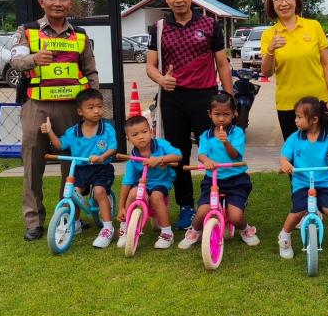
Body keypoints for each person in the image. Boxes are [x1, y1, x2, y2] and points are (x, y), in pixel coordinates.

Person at [10, 0, 99, 241]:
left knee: (73, 164)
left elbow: (90, 70)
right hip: (36, 106)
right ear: (42, 2)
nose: (57, 3)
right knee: (32, 164)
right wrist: (34, 59)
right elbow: (15, 61)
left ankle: (69, 216)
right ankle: (34, 222)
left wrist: (92, 104)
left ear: (70, 3)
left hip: (72, 108)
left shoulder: (80, 35)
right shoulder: (27, 31)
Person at [146, 0, 233, 231]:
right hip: (172, 99)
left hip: (205, 97)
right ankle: (186, 205)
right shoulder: (158, 28)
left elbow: (222, 64)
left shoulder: (209, 24)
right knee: (178, 154)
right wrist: (161, 79)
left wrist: (229, 100)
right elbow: (150, 66)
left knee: (214, 150)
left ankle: (218, 199)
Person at [177, 92, 260, 249]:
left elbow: (235, 155)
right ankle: (194, 231)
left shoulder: (237, 133)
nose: (221, 119)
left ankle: (245, 229)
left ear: (234, 114)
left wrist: (226, 142)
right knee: (202, 212)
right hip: (212, 180)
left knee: (236, 216)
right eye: (217, 114)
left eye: (226, 114)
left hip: (236, 180)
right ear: (210, 114)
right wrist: (206, 161)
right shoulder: (206, 136)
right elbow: (201, 154)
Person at [260, 0, 328, 140]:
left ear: (296, 0)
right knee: (294, 152)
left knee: (321, 151)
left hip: (318, 103)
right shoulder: (268, 35)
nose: (284, 3)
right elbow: (266, 73)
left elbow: (326, 64)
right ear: (272, 4)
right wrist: (271, 50)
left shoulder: (314, 26)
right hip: (288, 106)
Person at [39, 88, 118, 248]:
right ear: (80, 111)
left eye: (100, 106)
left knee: (99, 192)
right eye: (91, 107)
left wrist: (102, 157)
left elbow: (113, 148)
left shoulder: (107, 128)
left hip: (101, 168)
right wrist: (50, 131)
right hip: (81, 169)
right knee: (73, 194)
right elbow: (60, 145)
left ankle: (107, 228)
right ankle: (74, 223)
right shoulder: (73, 132)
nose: (97, 111)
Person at [277, 97, 328, 260]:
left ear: (314, 120)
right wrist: (285, 163)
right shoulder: (294, 138)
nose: (295, 120)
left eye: (299, 117)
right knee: (297, 211)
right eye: (296, 116)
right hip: (302, 183)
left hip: (325, 183)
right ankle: (284, 237)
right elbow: (284, 156)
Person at [116, 115, 183, 249]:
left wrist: (160, 159)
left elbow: (178, 155)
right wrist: (121, 207)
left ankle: (167, 233)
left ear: (151, 131)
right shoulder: (133, 159)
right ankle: (125, 226)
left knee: (156, 197)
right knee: (133, 192)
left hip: (161, 182)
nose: (141, 137)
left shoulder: (161, 145)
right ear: (128, 138)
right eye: (135, 134)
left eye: (144, 132)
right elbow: (126, 183)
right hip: (143, 183)